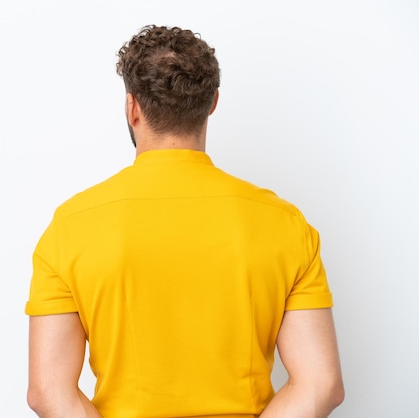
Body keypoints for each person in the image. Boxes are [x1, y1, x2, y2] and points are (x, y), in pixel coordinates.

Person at [25, 24, 344, 418]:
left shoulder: (70, 226)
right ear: (212, 102)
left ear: (132, 108)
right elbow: (321, 384)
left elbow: (47, 391)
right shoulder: (285, 224)